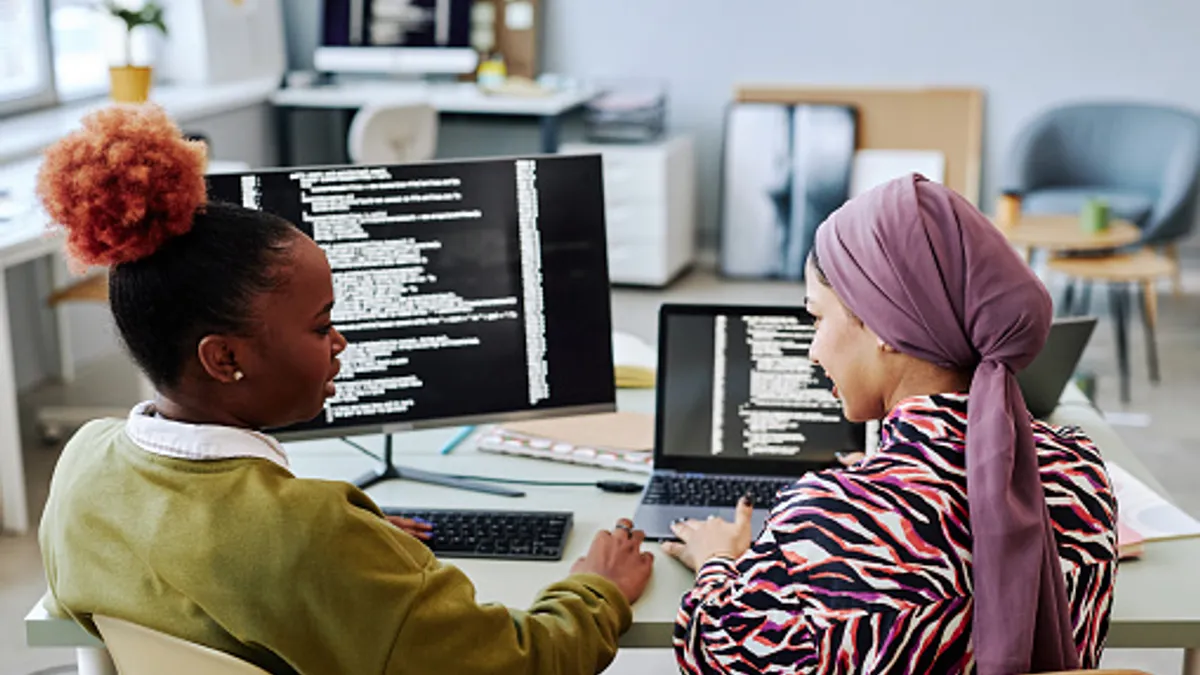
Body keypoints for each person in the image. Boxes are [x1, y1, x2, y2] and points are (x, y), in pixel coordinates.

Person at [36, 104, 654, 674]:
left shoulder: (85, 464)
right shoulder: (309, 537)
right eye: (320, 325)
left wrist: (358, 555)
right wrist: (597, 588)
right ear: (224, 357)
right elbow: (520, 662)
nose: (340, 343)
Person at [663, 174, 1117, 675]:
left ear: (884, 325)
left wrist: (717, 561)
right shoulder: (1082, 476)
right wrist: (888, 481)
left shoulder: (828, 524)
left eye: (817, 318)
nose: (813, 352)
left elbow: (714, 653)